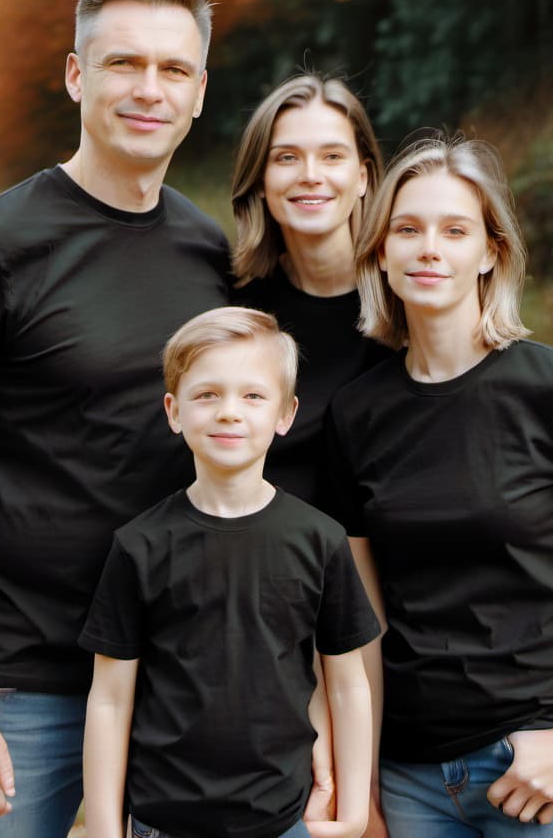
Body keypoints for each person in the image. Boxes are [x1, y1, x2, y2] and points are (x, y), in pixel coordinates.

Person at [0, 0, 231, 836]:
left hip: (179, 683)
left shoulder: (211, 252)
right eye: (123, 64)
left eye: (173, 70)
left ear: (199, 93)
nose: (149, 89)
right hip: (20, 691)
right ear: (77, 76)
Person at [325, 135, 553, 837]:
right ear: (380, 251)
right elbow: (369, 622)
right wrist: (366, 785)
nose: (429, 249)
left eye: (455, 230)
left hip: (540, 766)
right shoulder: (356, 415)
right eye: (408, 229)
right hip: (411, 775)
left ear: (490, 253)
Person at [231, 74, 553, 506]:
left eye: (332, 156)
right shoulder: (234, 306)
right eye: (287, 158)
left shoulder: (415, 290)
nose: (311, 175)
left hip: (388, 558)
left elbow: (500, 389)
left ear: (364, 176)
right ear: (260, 177)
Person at [80, 307, 379, 838]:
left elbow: (347, 683)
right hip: (164, 821)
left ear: (286, 414)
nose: (229, 413)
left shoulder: (320, 540)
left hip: (282, 821)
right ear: (173, 411)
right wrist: (106, 830)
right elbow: (109, 698)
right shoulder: (139, 546)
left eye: (253, 396)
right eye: (207, 394)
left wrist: (353, 815)